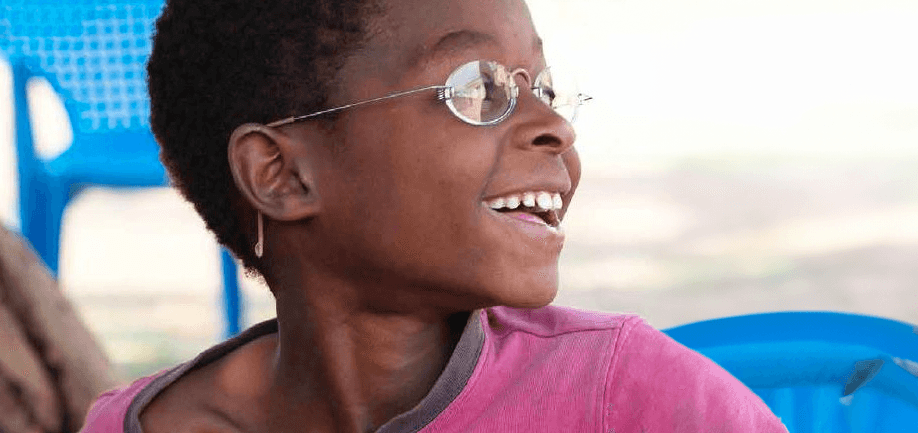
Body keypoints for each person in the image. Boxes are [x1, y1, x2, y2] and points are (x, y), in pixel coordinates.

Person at [78, 0, 787, 431]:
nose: (554, 127)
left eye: (539, 85)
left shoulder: (627, 396)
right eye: (477, 87)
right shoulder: (136, 424)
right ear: (282, 173)